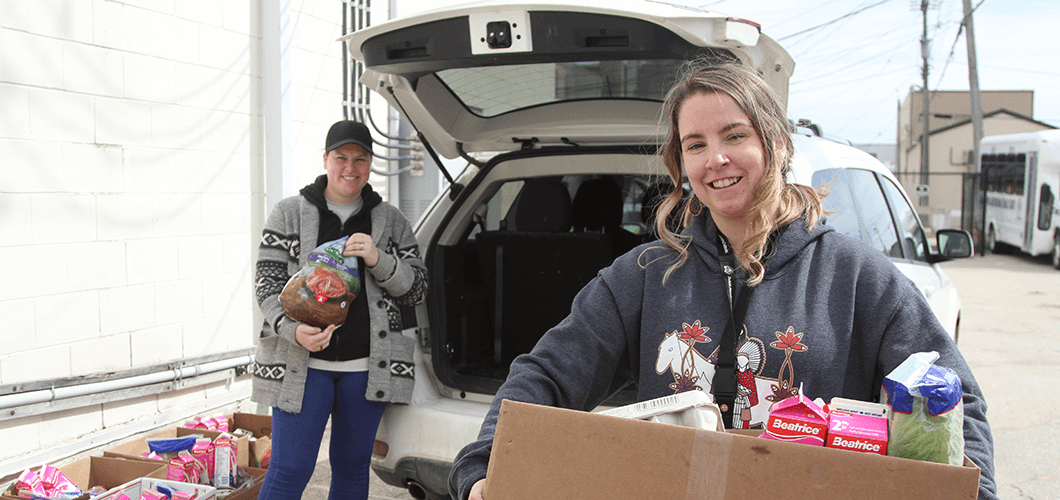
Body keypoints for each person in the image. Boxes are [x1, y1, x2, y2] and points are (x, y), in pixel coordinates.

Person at [447, 60, 997, 500]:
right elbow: (545, 375)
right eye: (695, 144)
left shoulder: (856, 277)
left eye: (735, 135)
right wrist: (482, 470)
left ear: (777, 143)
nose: (716, 159)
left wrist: (975, 491)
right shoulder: (644, 274)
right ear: (680, 163)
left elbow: (954, 401)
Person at [251, 119, 428, 500]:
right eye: (341, 157)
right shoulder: (289, 214)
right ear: (326, 159)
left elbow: (417, 288)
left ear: (370, 163)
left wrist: (379, 259)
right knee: (289, 470)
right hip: (301, 363)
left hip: (366, 369)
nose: (351, 168)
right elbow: (265, 285)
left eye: (360, 159)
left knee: (351, 471)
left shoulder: (391, 221)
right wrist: (290, 329)